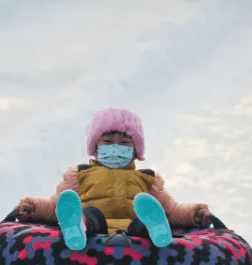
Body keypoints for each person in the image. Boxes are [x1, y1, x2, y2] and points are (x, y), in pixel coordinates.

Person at [16, 106, 211, 250]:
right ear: (95, 147)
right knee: (90, 212)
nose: (115, 148)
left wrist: (194, 214)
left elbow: (172, 209)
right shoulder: (80, 175)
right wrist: (32, 208)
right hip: (95, 230)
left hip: (134, 233)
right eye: (108, 142)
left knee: (145, 216)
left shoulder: (147, 180)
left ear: (135, 151)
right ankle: (76, 227)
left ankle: (157, 229)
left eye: (124, 143)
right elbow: (55, 205)